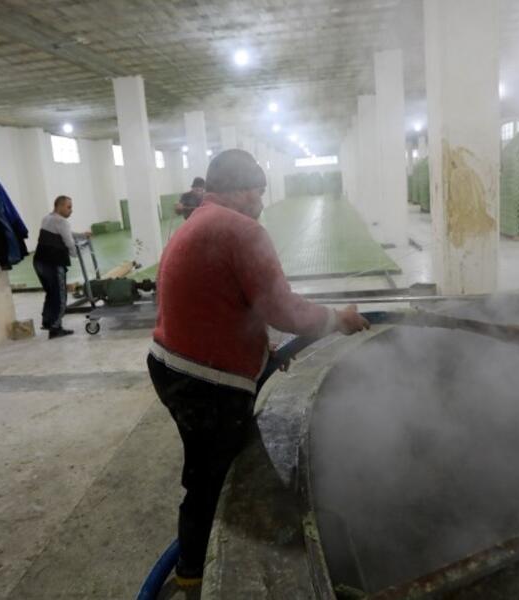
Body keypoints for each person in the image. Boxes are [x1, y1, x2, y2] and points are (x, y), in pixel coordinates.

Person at [147, 149, 369, 587]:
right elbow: (281, 308)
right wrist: (336, 319)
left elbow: (222, 302)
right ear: (246, 191)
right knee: (211, 477)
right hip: (205, 379)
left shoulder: (197, 222)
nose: (264, 202)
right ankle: (193, 575)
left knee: (215, 462)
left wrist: (261, 353)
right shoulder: (242, 230)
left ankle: (196, 562)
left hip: (172, 364)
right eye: (261, 192)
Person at [32, 195, 89, 339]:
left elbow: (66, 234)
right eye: (69, 207)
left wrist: (82, 235)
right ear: (59, 206)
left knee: (51, 292)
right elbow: (69, 241)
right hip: (53, 263)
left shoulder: (47, 218)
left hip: (39, 261)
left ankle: (47, 321)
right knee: (59, 295)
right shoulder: (62, 221)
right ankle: (55, 328)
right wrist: (76, 253)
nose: (71, 210)